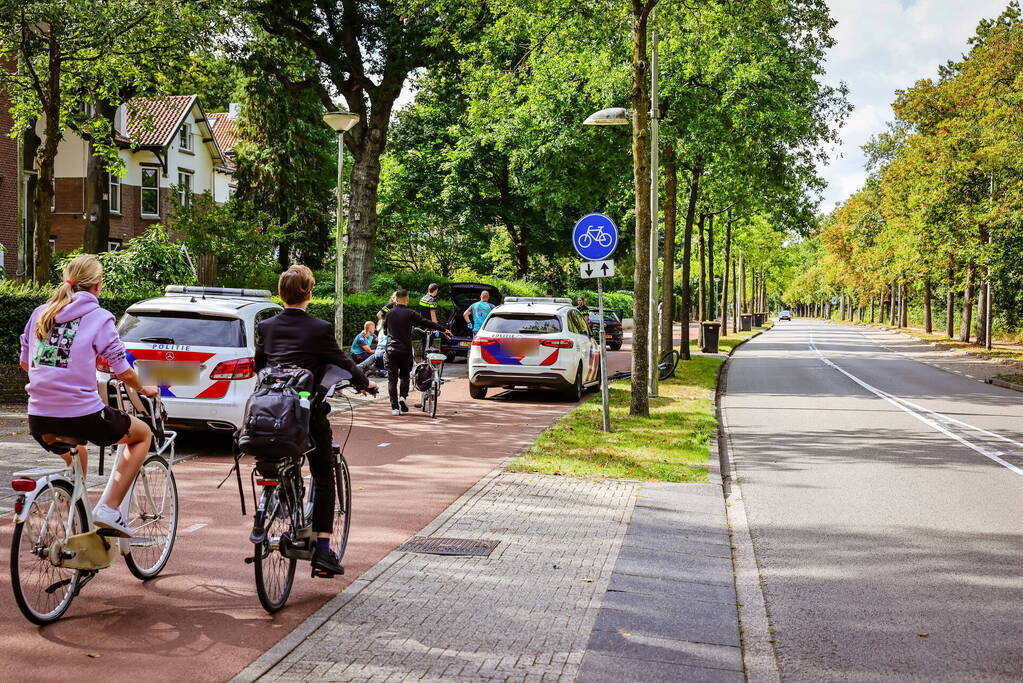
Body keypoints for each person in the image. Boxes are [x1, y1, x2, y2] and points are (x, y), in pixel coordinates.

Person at [19, 255, 158, 538]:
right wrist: (145, 389)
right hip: (82, 415)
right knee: (143, 435)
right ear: (98, 284)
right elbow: (122, 370)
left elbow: (26, 363)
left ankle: (75, 529)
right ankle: (109, 509)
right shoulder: (100, 317)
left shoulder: (40, 313)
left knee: (76, 455)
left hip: (38, 418)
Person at [254, 265, 375, 577]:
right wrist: (365, 383)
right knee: (323, 475)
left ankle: (280, 496)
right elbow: (343, 360)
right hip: (306, 413)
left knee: (282, 457)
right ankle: (322, 550)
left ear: (280, 294)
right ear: (309, 294)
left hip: (270, 411)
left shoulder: (267, 327)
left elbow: (260, 365)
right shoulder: (319, 329)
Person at [383, 289, 450, 416]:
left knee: (392, 380)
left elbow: (385, 330)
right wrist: (443, 330)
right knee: (404, 376)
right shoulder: (410, 313)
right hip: (405, 350)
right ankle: (403, 397)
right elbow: (427, 322)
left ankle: (395, 408)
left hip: (391, 350)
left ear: (396, 299)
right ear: (406, 300)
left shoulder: (389, 314)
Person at [419, 283, 441, 354]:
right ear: (436, 290)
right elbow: (433, 316)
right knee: (428, 346)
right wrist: (436, 327)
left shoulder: (423, 298)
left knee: (424, 343)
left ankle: (423, 360)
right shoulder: (432, 300)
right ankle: (427, 361)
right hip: (429, 326)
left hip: (422, 324)